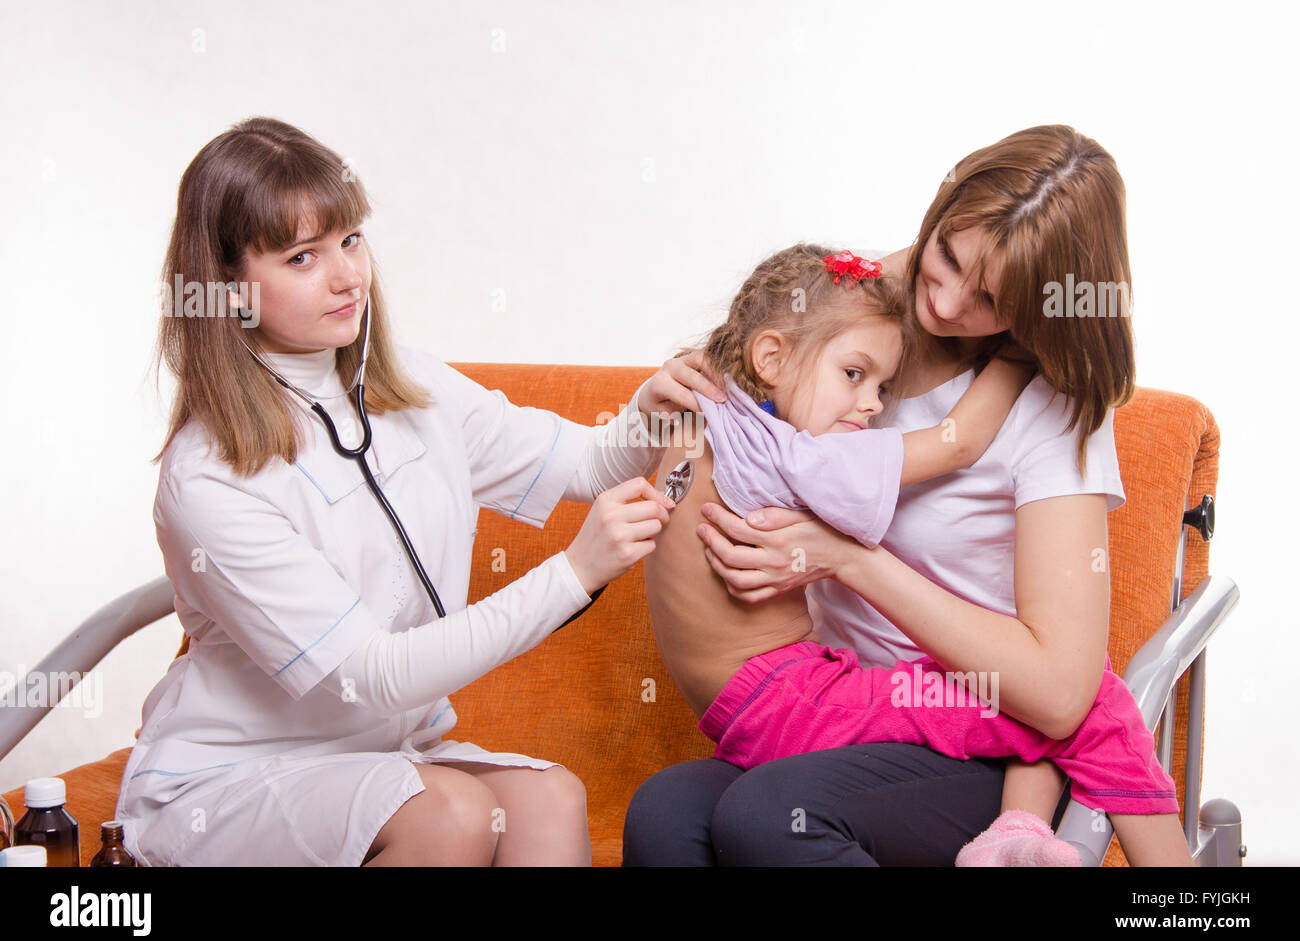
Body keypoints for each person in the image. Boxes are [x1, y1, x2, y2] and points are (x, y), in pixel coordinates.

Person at [114, 116, 717, 867]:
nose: (346, 276)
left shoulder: (414, 385)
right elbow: (369, 676)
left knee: (547, 798)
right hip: (229, 782)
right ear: (227, 290)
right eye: (303, 256)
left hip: (385, 756)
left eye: (350, 239)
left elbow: (591, 467)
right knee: (453, 814)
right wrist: (573, 574)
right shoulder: (207, 479)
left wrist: (648, 419)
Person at [624, 124, 1190, 867]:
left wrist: (845, 560)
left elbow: (1058, 695)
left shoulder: (1051, 406)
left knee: (770, 817)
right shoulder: (854, 328)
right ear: (943, 201)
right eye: (947, 257)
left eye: (990, 298)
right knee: (665, 814)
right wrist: (661, 397)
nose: (948, 304)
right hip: (840, 713)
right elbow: (734, 393)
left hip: (981, 733)